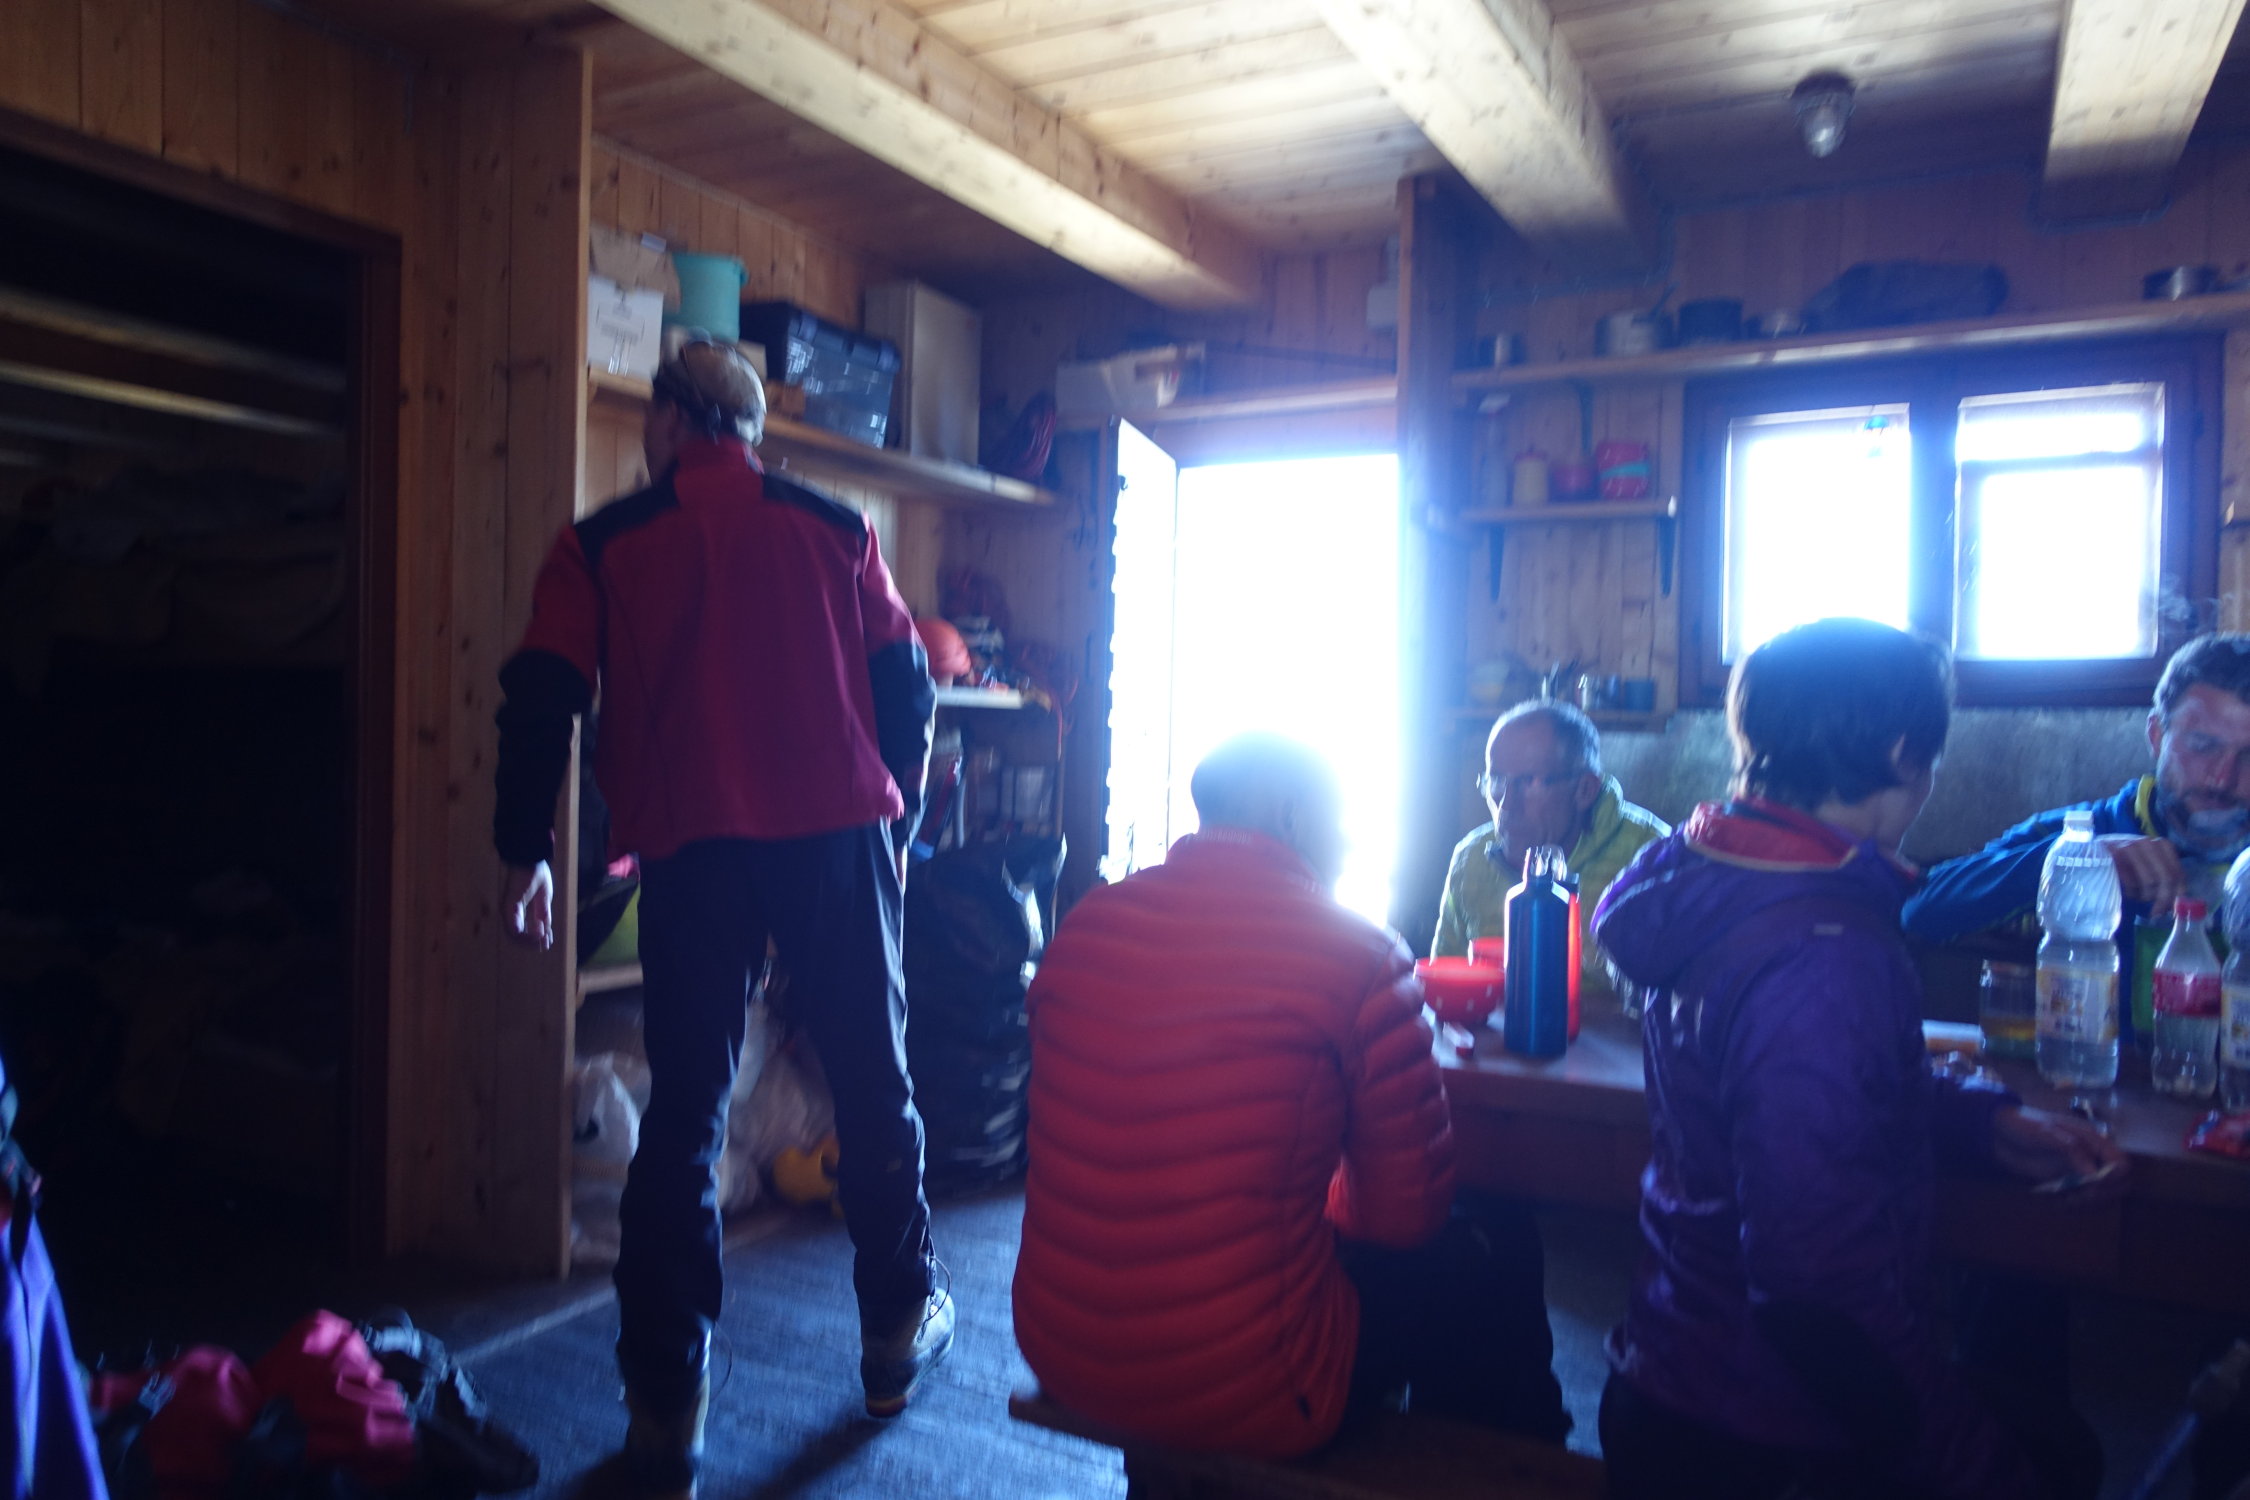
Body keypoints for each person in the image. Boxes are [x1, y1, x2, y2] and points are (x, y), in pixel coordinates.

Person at [490, 338, 947, 1494]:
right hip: (836, 830)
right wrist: (898, 815)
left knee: (687, 1110)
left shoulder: (600, 544)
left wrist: (523, 848)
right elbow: (908, 685)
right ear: (745, 431)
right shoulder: (839, 528)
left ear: (669, 422)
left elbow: (542, 693)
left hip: (693, 847)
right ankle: (897, 1328)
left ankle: (666, 1397)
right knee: (871, 1077)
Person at [1591, 618, 2126, 1500]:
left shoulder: (1714, 876)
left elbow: (1788, 1089)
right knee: (2057, 1456)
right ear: (1904, 752)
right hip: (1772, 1430)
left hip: (1677, 1365)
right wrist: (1980, 1471)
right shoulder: (1823, 947)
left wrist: (1978, 1122)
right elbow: (1817, 1287)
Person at [1013, 734, 1568, 1459]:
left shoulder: (1087, 923)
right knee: (1494, 1251)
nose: (1350, 844)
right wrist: (1314, 1191)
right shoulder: (1357, 954)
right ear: (1293, 816)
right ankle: (1494, 1471)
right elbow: (1404, 1218)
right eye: (1341, 822)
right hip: (1257, 1383)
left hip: (1060, 1345)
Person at [1904, 633, 2250, 950]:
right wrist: (2074, 862)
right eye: (2202, 745)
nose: (2222, 778)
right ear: (2157, 736)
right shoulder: (2080, 833)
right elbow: (1919, 912)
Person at [1432, 700, 1668, 992]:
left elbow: (1678, 1007)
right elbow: (1444, 982)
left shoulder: (1654, 859)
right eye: (1496, 780)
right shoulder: (1471, 859)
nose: (1506, 805)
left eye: (1529, 782)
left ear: (1584, 790)